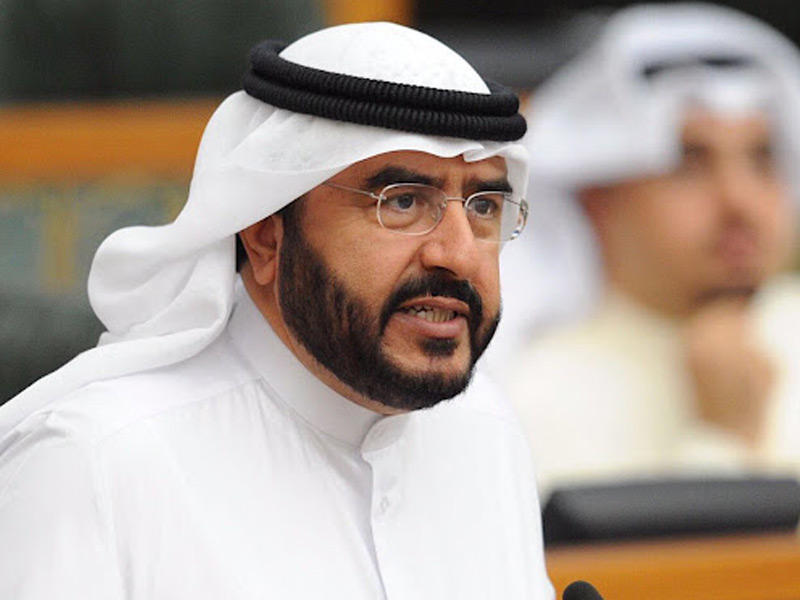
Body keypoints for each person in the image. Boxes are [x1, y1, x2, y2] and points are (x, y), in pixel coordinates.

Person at [0, 23, 553, 599]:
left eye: (485, 207)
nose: (459, 255)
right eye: (404, 202)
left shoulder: (484, 429)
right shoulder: (92, 464)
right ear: (266, 237)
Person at [501, 3, 800, 496]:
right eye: (689, 163)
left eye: (762, 159)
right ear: (598, 199)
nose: (740, 201)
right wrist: (724, 438)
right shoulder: (529, 393)